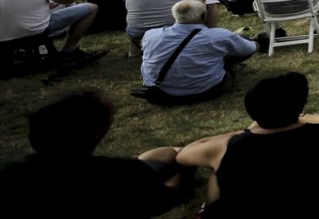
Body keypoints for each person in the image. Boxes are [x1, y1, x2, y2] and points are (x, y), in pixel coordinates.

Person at [176, 72, 319, 218]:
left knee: (219, 168)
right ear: (298, 107)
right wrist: (299, 116)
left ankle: (204, 210)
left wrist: (246, 131)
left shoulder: (227, 145)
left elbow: (183, 154)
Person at [0, 89, 186, 217]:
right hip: (135, 179)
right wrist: (183, 168)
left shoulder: (10, 173)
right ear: (97, 131)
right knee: (175, 154)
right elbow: (162, 201)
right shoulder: (124, 175)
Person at [139, 0, 259, 105]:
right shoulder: (219, 35)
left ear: (174, 16)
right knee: (235, 48)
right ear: (203, 17)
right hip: (205, 90)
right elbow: (249, 49)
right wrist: (256, 43)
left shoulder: (151, 34)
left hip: (159, 93)